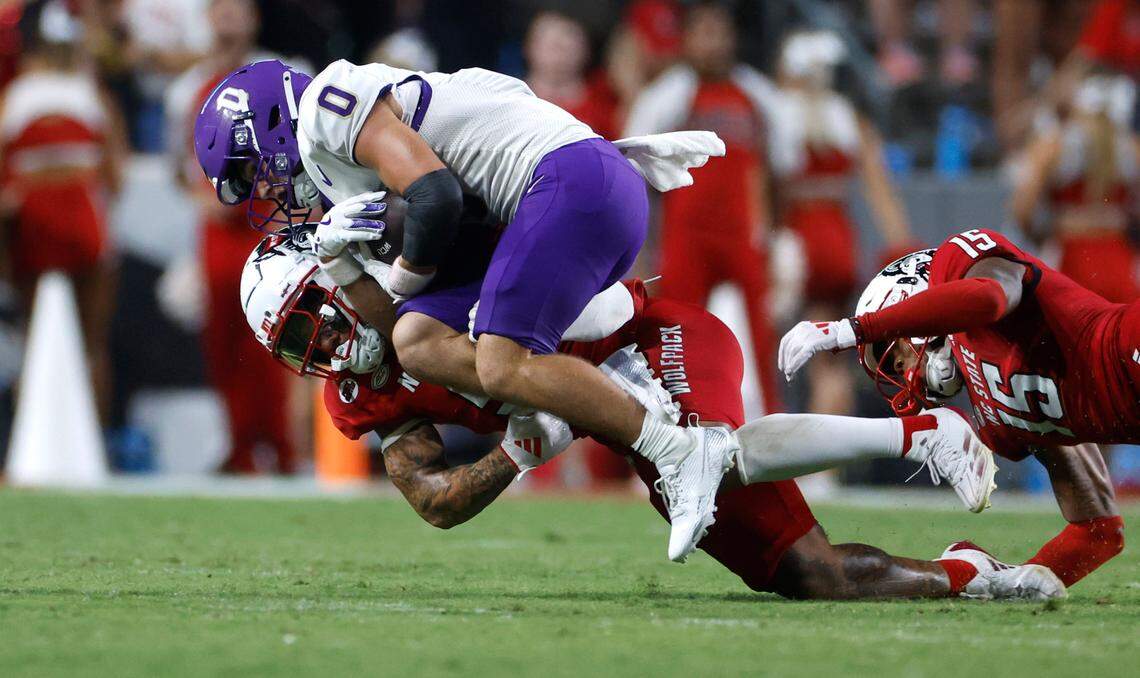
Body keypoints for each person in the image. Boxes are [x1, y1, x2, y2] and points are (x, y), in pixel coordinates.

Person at [236, 225, 1061, 601]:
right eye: (297, 344)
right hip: (614, 409)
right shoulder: (363, 385)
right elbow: (433, 499)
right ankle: (968, 575)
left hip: (647, 337)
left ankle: (925, 431)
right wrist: (520, 456)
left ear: (342, 275)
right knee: (807, 574)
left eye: (316, 316)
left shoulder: (431, 266)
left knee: (713, 451)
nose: (326, 349)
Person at [193, 57, 734, 562]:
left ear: (265, 123)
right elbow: (491, 114)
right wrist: (340, 265)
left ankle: (677, 449)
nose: (268, 189)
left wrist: (398, 276)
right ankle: (613, 400)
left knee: (501, 362)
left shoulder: (327, 108)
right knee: (418, 340)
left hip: (565, 186)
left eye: (254, 169)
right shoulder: (346, 156)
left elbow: (436, 195)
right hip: (556, 192)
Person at [778, 233, 1129, 588]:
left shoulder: (956, 262)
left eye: (892, 348)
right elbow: (1097, 531)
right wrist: (1000, 581)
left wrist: (854, 329)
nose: (901, 366)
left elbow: (988, 297)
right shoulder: (997, 417)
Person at [624, 1, 784, 415]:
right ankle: (672, 423)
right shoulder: (665, 98)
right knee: (674, 333)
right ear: (686, 39)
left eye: (720, 31)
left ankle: (772, 424)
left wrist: (778, 237)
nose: (713, 42)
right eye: (704, 32)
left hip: (743, 233)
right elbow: (636, 173)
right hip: (686, 235)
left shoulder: (759, 96)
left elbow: (778, 168)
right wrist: (643, 248)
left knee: (764, 339)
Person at [163, 0, 298, 473]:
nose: (229, 21)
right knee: (223, 337)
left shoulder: (284, 75)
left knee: (276, 332)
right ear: (208, 19)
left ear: (253, 18)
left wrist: (290, 202)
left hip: (270, 220)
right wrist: (200, 196)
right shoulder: (186, 89)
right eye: (221, 11)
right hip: (218, 228)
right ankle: (240, 444)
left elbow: (308, 148)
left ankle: (282, 445)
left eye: (237, 11)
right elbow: (176, 161)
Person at [766, 30, 914, 419]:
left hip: (796, 238)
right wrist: (902, 247)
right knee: (829, 352)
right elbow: (881, 191)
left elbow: (768, 188)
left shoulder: (778, 116)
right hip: (837, 235)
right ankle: (828, 460)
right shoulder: (846, 117)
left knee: (781, 350)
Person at [0, 0, 125, 420]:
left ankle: (94, 439)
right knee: (42, 337)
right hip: (41, 223)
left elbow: (113, 170)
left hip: (75, 219)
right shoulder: (20, 95)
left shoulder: (83, 92)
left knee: (83, 339)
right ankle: (34, 439)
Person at [1011, 74, 1140, 303]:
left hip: (1069, 253)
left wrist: (1039, 236)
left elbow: (1023, 208)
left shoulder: (1053, 145)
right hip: (1120, 256)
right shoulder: (1131, 147)